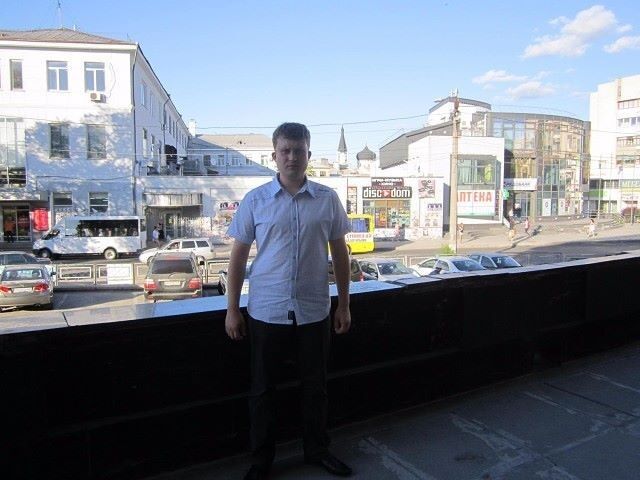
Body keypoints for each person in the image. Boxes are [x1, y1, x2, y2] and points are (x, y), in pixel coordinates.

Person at [225, 122, 353, 480]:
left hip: (314, 310)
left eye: (299, 150)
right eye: (285, 150)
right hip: (266, 310)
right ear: (274, 155)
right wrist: (232, 309)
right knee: (262, 391)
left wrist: (344, 304)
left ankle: (317, 450)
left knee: (316, 388)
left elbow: (340, 254)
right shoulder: (256, 200)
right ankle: (261, 461)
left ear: (308, 154)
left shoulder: (327, 198)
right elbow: (237, 258)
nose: (292, 157)